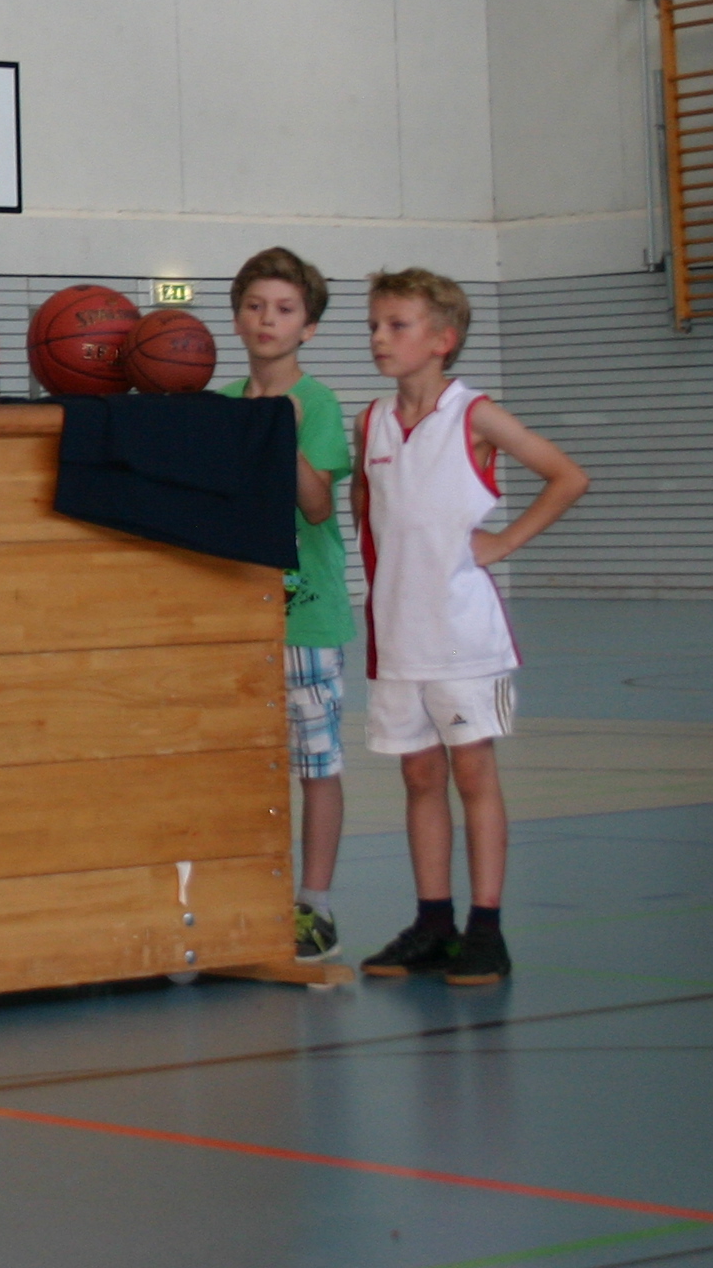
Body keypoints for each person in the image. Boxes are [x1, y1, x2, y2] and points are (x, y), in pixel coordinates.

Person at [352, 267, 589, 989]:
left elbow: (567, 476)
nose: (379, 337)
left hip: (462, 636)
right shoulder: (371, 422)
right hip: (398, 634)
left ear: (442, 340)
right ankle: (434, 923)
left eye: (397, 325)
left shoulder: (475, 415)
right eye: (374, 325)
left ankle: (487, 928)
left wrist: (505, 541)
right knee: (418, 776)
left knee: (473, 774)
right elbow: (372, 513)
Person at [214, 247, 357, 962]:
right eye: (254, 306)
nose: (266, 319)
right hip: (237, 614)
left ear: (309, 327)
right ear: (237, 316)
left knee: (315, 764)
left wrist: (284, 433)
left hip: (306, 615)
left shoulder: (317, 403)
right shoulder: (223, 402)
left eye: (284, 309)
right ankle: (239, 897)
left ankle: (315, 903)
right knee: (239, 762)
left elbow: (318, 504)